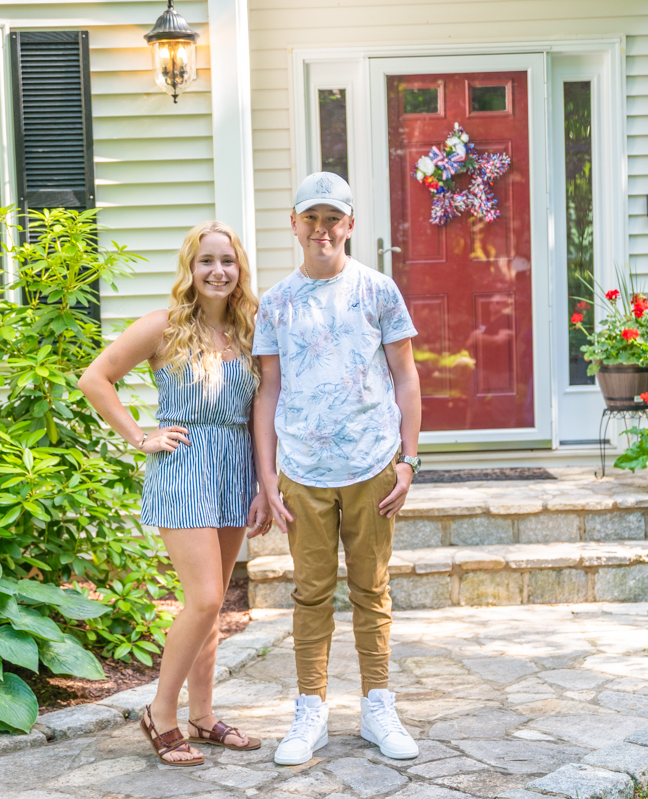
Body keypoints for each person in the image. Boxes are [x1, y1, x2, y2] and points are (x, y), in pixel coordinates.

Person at [80, 221, 271, 767]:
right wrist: (141, 437)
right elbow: (96, 379)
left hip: (235, 472)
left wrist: (264, 481)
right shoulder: (163, 327)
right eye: (207, 260)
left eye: (228, 262)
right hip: (183, 469)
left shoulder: (250, 330)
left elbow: (262, 409)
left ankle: (203, 716)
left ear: (240, 270)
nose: (218, 271)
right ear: (190, 268)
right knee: (205, 598)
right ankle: (160, 714)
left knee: (214, 607)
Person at [252, 172, 424, 765]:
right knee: (310, 594)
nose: (321, 229)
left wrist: (408, 460)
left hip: (373, 464)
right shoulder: (274, 303)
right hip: (303, 471)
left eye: (333, 218)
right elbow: (268, 391)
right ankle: (311, 711)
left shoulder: (378, 291)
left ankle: (378, 705)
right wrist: (267, 477)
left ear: (350, 225)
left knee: (372, 589)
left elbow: (406, 376)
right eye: (311, 218)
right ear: (294, 224)